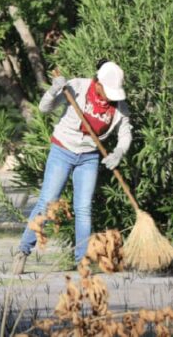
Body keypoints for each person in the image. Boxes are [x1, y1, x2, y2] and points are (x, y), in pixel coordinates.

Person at [13, 60, 132, 273]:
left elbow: (125, 134)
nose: (111, 97)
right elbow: (44, 108)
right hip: (62, 150)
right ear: (97, 83)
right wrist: (54, 90)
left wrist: (119, 152)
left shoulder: (118, 105)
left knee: (83, 209)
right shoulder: (77, 87)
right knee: (46, 203)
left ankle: (82, 261)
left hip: (89, 158)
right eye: (108, 92)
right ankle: (23, 251)